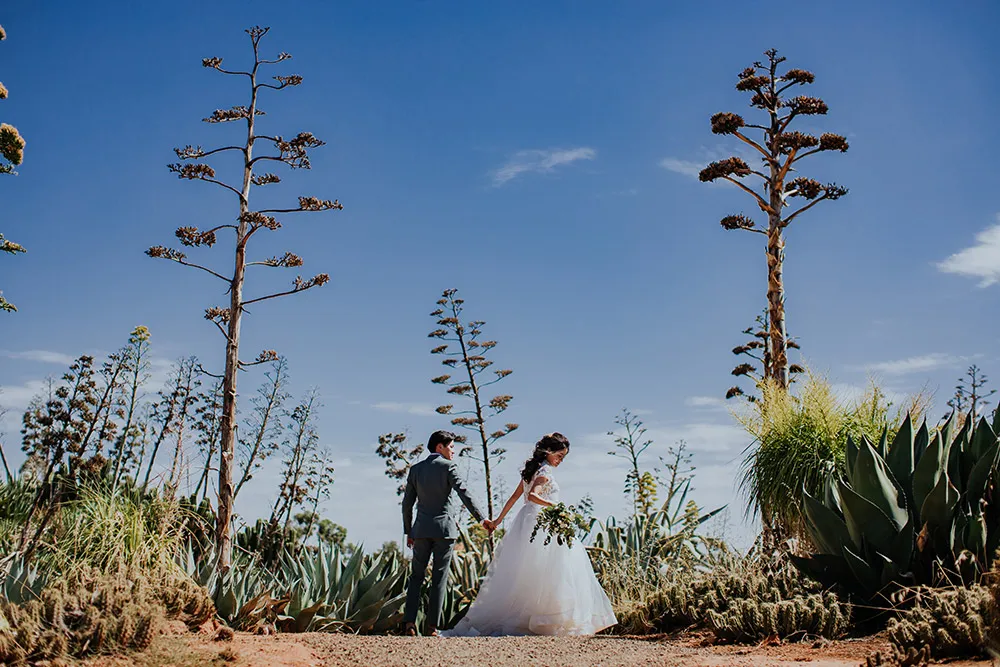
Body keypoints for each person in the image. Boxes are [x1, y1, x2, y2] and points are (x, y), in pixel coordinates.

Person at [445, 433, 617, 636]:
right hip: (541, 525)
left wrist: (498, 521)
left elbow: (515, 497)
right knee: (551, 569)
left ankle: (534, 615)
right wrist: (555, 505)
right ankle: (546, 617)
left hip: (526, 523)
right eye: (559, 456)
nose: (560, 461)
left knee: (528, 571)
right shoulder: (544, 472)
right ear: (549, 452)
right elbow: (534, 495)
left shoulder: (532, 471)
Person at [402, 430, 492, 637]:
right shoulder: (449, 467)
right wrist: (481, 519)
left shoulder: (416, 469)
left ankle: (409, 624)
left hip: (421, 531)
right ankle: (432, 628)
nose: (453, 451)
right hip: (444, 531)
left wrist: (408, 531)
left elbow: (407, 504)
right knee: (439, 578)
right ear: (439, 447)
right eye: (451, 447)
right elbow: (464, 492)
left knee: (416, 577)